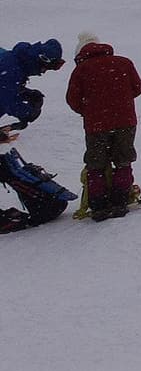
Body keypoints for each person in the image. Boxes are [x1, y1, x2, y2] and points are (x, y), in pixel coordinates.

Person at [65, 34, 141, 222]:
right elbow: (138, 87)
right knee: (123, 160)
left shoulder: (81, 70)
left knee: (96, 164)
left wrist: (89, 110)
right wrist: (121, 99)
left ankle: (99, 206)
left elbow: (72, 100)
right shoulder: (123, 63)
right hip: (125, 121)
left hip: (96, 125)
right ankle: (120, 201)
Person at [0, 39, 73, 231]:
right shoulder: (11, 67)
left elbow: (7, 91)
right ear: (40, 59)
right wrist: (28, 113)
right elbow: (7, 100)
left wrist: (25, 93)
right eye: (45, 68)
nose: (43, 72)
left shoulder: (14, 63)